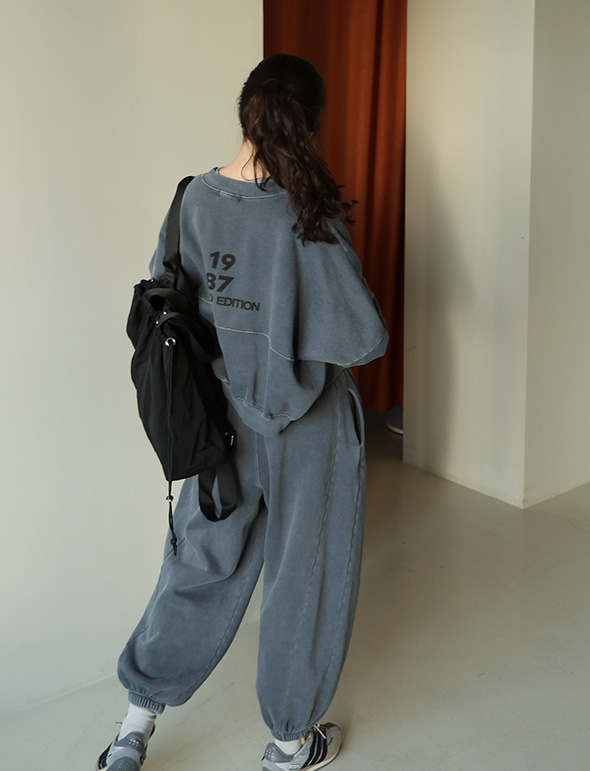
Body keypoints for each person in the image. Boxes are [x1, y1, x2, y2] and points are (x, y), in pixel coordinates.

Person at [97, 53, 388, 771]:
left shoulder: (193, 199)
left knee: (199, 561)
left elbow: (173, 300)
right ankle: (289, 745)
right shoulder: (308, 213)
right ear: (308, 124)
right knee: (303, 578)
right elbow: (362, 337)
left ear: (246, 112)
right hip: (310, 432)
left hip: (220, 424)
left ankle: (133, 728)